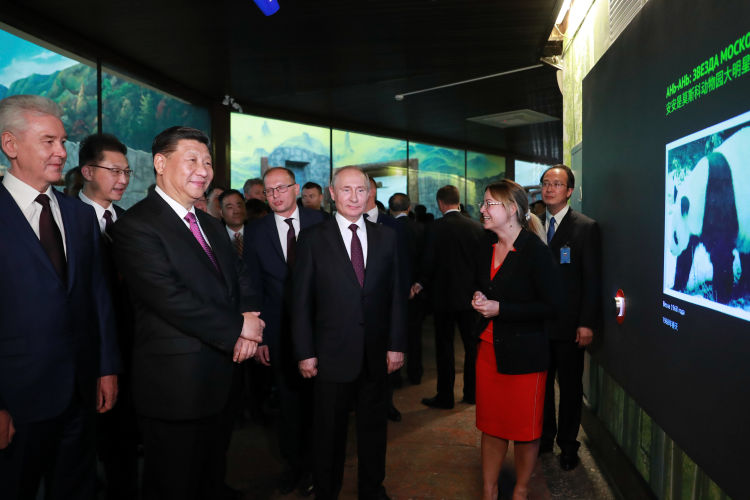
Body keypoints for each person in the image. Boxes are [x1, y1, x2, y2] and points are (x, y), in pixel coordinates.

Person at [112, 126, 264, 500]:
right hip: (176, 386)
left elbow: (240, 275)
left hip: (223, 375)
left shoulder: (210, 223)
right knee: (173, 483)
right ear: (160, 163)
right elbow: (169, 297)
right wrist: (238, 327)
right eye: (192, 160)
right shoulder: (136, 225)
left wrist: (249, 316)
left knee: (211, 476)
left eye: (208, 162)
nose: (203, 170)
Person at [0, 94, 120, 500]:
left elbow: (98, 297)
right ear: (10, 144)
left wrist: (106, 368)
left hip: (81, 392)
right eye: (48, 141)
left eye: (63, 141)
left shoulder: (79, 215)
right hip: (17, 399)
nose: (62, 152)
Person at [292, 166, 407, 500]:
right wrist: (305, 352)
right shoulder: (312, 238)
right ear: (332, 193)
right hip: (330, 355)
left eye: (361, 190)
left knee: (374, 430)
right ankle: (327, 491)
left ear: (369, 193)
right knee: (328, 433)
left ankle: (372, 489)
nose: (354, 197)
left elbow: (396, 296)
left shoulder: (387, 237)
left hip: (375, 354)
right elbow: (300, 302)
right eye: (346, 190)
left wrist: (396, 344)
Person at [471, 180, 563, 500]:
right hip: (488, 351)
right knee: (491, 426)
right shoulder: (485, 245)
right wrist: (479, 297)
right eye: (483, 203)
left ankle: (520, 491)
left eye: (489, 204)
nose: (482, 209)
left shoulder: (535, 252)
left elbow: (553, 306)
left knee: (525, 430)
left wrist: (502, 309)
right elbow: (485, 286)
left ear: (511, 209)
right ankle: (489, 490)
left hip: (526, 356)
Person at [244, 167, 325, 495]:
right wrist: (260, 336)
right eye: (269, 190)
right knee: (289, 405)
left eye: (281, 188)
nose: (275, 195)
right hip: (278, 333)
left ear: (296, 189)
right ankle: (296, 466)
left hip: (321, 332)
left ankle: (320, 468)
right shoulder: (256, 230)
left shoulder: (322, 222)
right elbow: (253, 285)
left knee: (321, 404)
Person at [78, 133, 139, 500]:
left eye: (126, 172)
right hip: (86, 353)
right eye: (114, 170)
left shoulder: (129, 222)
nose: (123, 179)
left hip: (130, 349)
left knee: (124, 440)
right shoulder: (65, 219)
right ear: (87, 171)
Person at [539, 164, 602, 471]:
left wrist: (586, 322)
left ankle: (567, 445)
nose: (549, 188)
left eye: (556, 184)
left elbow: (592, 280)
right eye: (545, 183)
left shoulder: (585, 227)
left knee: (570, 388)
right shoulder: (532, 225)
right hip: (538, 323)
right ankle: (543, 438)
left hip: (569, 324)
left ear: (569, 191)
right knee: (540, 385)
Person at [415, 185, 484, 409]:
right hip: (470, 298)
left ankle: (445, 396)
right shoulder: (476, 227)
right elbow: (482, 265)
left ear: (440, 203)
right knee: (472, 347)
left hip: (443, 297)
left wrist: (421, 283)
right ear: (458, 200)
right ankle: (472, 393)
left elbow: (428, 262)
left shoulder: (434, 228)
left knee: (444, 348)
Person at [388, 192, 426, 385]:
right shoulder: (420, 228)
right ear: (409, 208)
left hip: (393, 291)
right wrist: (417, 283)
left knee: (394, 333)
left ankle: (394, 377)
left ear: (390, 209)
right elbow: (426, 260)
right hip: (416, 291)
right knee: (415, 334)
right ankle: (415, 373)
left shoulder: (386, 229)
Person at [219, 189, 248, 257]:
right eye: (230, 207)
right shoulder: (215, 238)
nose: (236, 211)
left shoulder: (258, 234)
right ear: (221, 213)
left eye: (239, 206)